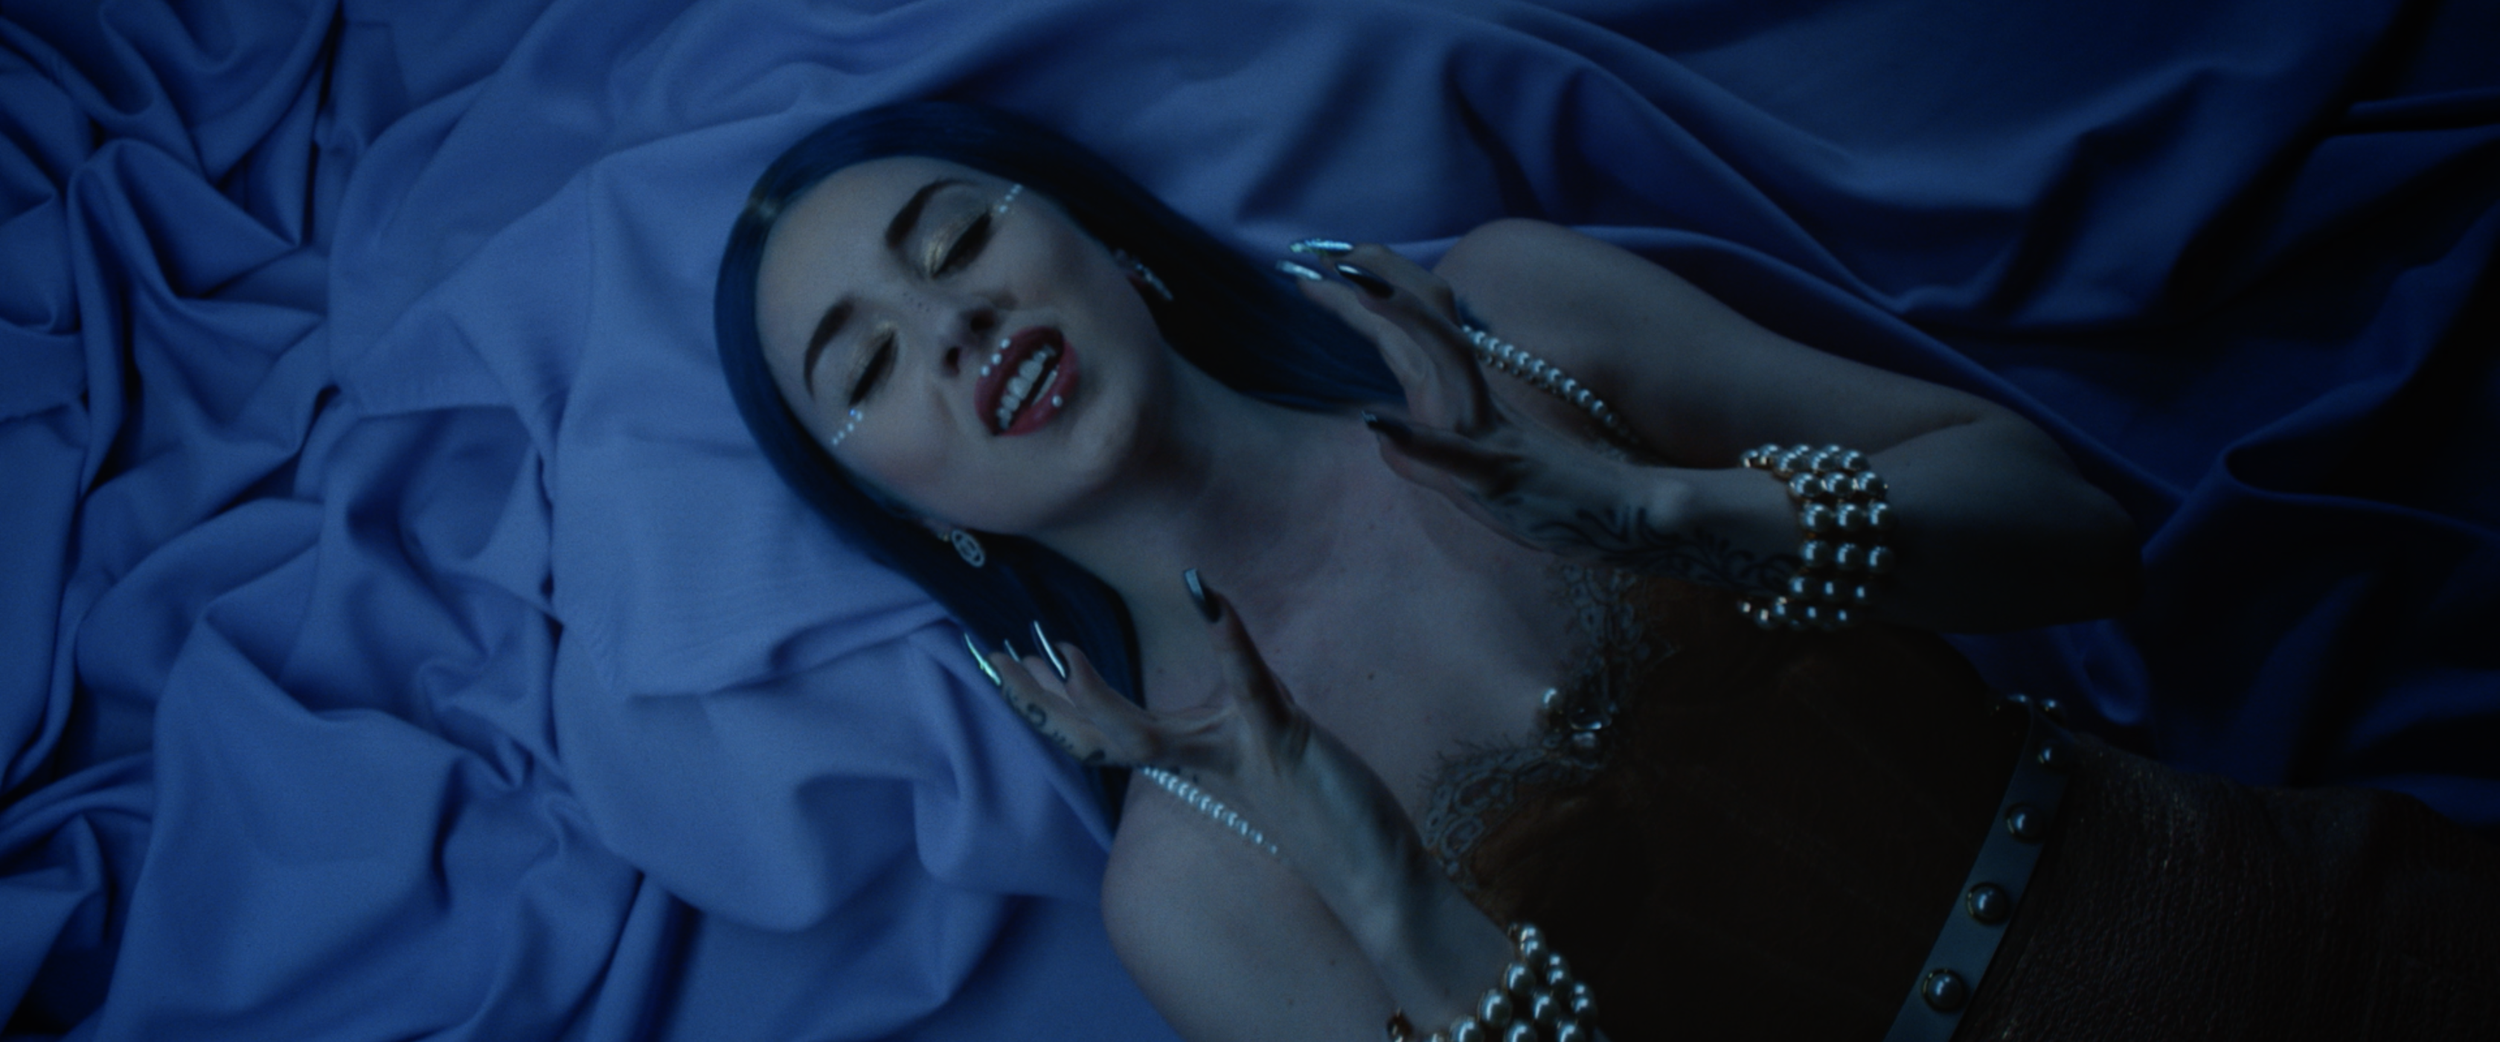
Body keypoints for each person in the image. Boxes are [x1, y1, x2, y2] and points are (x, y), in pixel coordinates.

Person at [715, 102, 2500, 1041]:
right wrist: (1378, 878)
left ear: (1110, 243)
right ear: (918, 514)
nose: (950, 326)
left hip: (2319, 920)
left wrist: (1660, 514)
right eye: (864, 366)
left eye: (955, 238)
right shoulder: (1193, 886)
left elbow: (2080, 535)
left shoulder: (1512, 316)